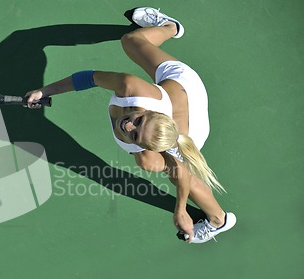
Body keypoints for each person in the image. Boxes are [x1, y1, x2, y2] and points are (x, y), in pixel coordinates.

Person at [25, 7, 236, 244]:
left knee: (171, 171)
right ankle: (171, 27)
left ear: (148, 146)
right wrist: (45, 90)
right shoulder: (131, 88)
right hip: (185, 86)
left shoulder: (155, 150)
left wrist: (181, 210)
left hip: (189, 133)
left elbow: (182, 174)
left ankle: (219, 220)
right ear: (149, 111)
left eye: (135, 137)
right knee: (131, 40)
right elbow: (89, 78)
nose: (127, 127)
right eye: (138, 120)